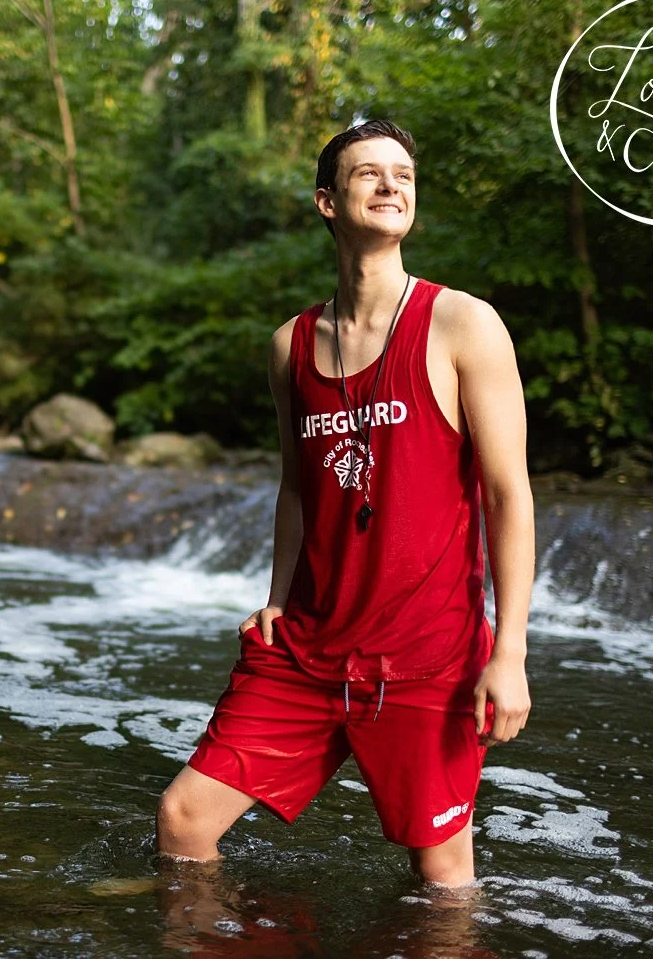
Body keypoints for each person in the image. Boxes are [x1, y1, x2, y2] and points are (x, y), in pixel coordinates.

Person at [155, 118, 535, 890]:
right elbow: (298, 485)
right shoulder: (290, 345)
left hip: (428, 656)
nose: (392, 185)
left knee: (441, 879)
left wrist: (512, 651)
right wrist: (274, 597)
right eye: (370, 173)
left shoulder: (463, 324)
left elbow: (507, 492)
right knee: (184, 820)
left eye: (404, 174)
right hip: (307, 648)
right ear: (328, 201)